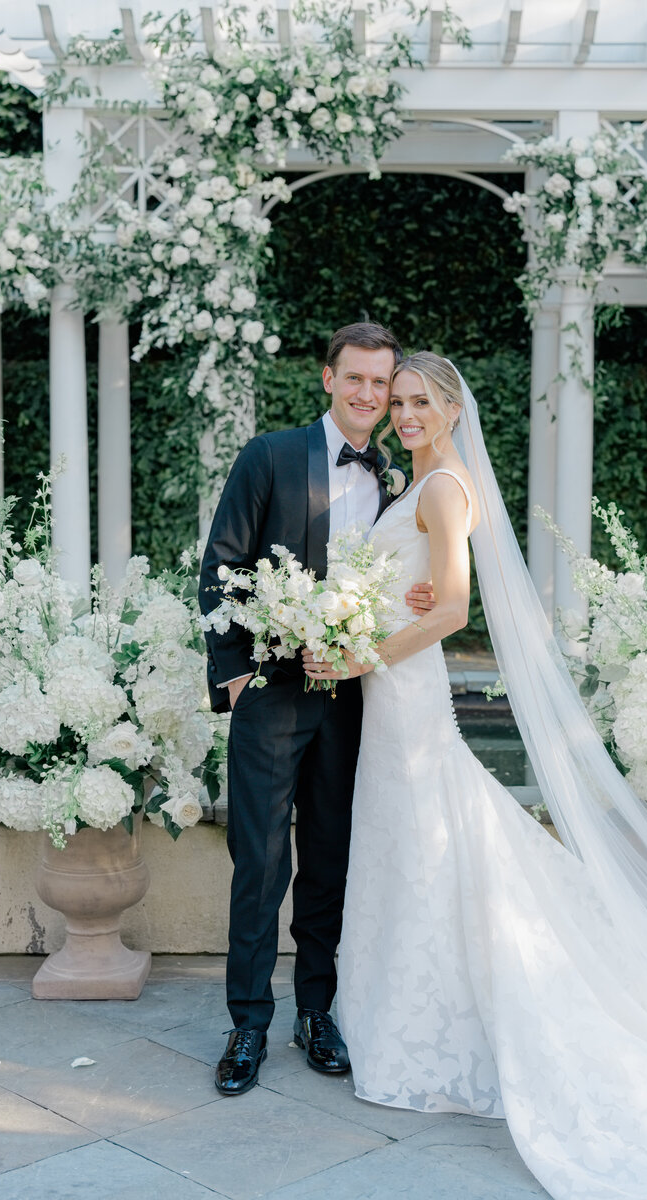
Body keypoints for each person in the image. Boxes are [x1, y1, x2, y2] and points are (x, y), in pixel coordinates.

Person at [303, 352, 647, 1199]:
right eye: (400, 401)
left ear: (453, 411)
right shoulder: (416, 484)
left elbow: (452, 608)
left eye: (423, 402)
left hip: (405, 699)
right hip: (387, 699)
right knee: (412, 857)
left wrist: (356, 656)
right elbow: (416, 585)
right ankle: (399, 1023)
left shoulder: (446, 487)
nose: (406, 413)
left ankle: (430, 1042)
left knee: (424, 854)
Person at [199, 323, 433, 1096]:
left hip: (354, 697)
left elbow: (400, 576)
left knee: (330, 857)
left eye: (382, 383)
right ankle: (247, 1023)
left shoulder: (396, 479)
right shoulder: (269, 456)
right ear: (328, 380)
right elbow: (223, 564)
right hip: (271, 691)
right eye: (357, 379)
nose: (371, 395)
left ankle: (317, 1012)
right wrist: (233, 677)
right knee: (260, 861)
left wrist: (418, 598)